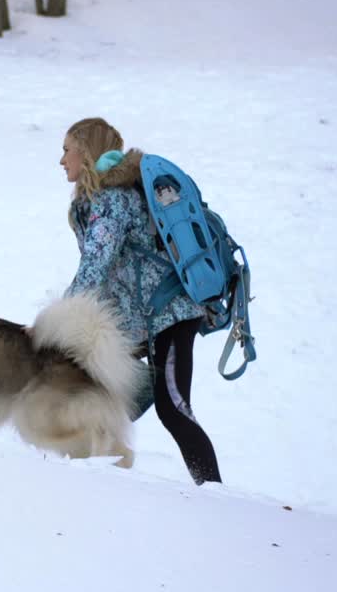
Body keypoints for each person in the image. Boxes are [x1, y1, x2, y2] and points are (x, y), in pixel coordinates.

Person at [59, 117, 222, 485]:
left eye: (67, 149)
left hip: (170, 314)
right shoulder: (98, 202)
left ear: (86, 154)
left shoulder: (114, 200)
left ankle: (214, 491)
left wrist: (52, 323)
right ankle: (93, 478)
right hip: (139, 322)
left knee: (174, 408)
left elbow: (94, 268)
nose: (62, 159)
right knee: (99, 399)